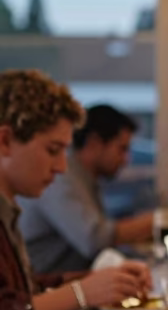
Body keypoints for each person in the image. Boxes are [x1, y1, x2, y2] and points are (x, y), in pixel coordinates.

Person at [0, 71, 151, 310]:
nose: (61, 168)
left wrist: (97, 282)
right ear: (5, 142)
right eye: (52, 150)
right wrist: (83, 293)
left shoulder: (9, 209)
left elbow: (25, 291)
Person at [20, 104, 154, 274]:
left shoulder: (85, 179)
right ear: (94, 143)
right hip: (45, 290)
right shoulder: (60, 179)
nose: (126, 160)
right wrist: (158, 221)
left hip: (62, 285)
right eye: (122, 149)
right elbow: (93, 240)